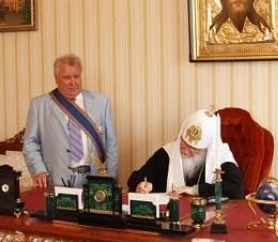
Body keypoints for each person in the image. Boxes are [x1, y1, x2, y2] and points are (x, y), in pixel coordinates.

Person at [23, 54, 119, 190]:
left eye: (76, 76)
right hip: (57, 178)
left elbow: (111, 145)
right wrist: (39, 170)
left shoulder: (101, 102)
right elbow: (30, 143)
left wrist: (111, 179)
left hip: (95, 177)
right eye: (67, 78)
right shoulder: (39, 106)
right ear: (56, 78)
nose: (73, 82)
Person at [127, 109, 245, 199]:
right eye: (183, 143)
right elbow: (136, 177)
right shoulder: (167, 153)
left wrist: (195, 190)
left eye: (193, 149)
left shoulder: (220, 155)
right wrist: (140, 185)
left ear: (206, 149)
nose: (184, 150)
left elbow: (237, 189)